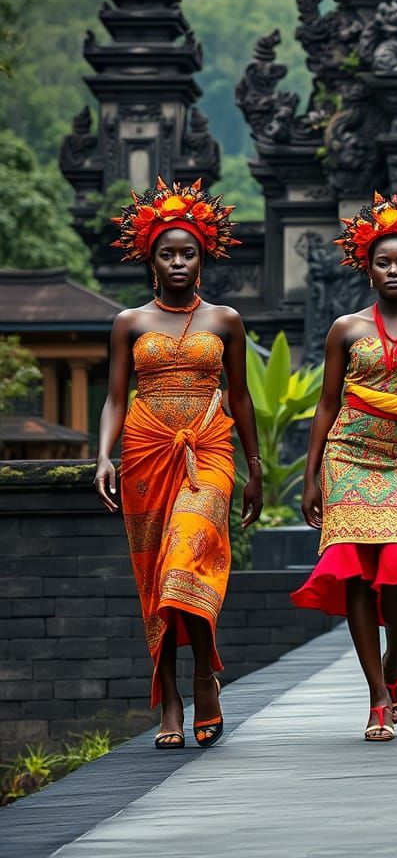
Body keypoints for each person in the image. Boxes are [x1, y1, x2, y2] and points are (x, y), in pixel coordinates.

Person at [94, 178, 263, 750]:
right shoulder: (129, 323)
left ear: (203, 256)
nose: (178, 262)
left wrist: (256, 468)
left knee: (186, 558)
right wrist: (102, 456)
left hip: (209, 450)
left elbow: (240, 397)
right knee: (153, 578)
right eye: (167, 253)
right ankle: (168, 695)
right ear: (151, 259)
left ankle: (202, 677)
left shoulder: (225, 320)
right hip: (145, 450)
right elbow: (116, 397)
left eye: (187, 252)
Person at [291, 192, 397, 743]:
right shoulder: (346, 329)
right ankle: (376, 694)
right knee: (353, 569)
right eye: (384, 261)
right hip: (349, 454)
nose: (394, 270)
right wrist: (310, 476)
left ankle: (395, 656)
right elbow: (326, 404)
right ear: (368, 267)